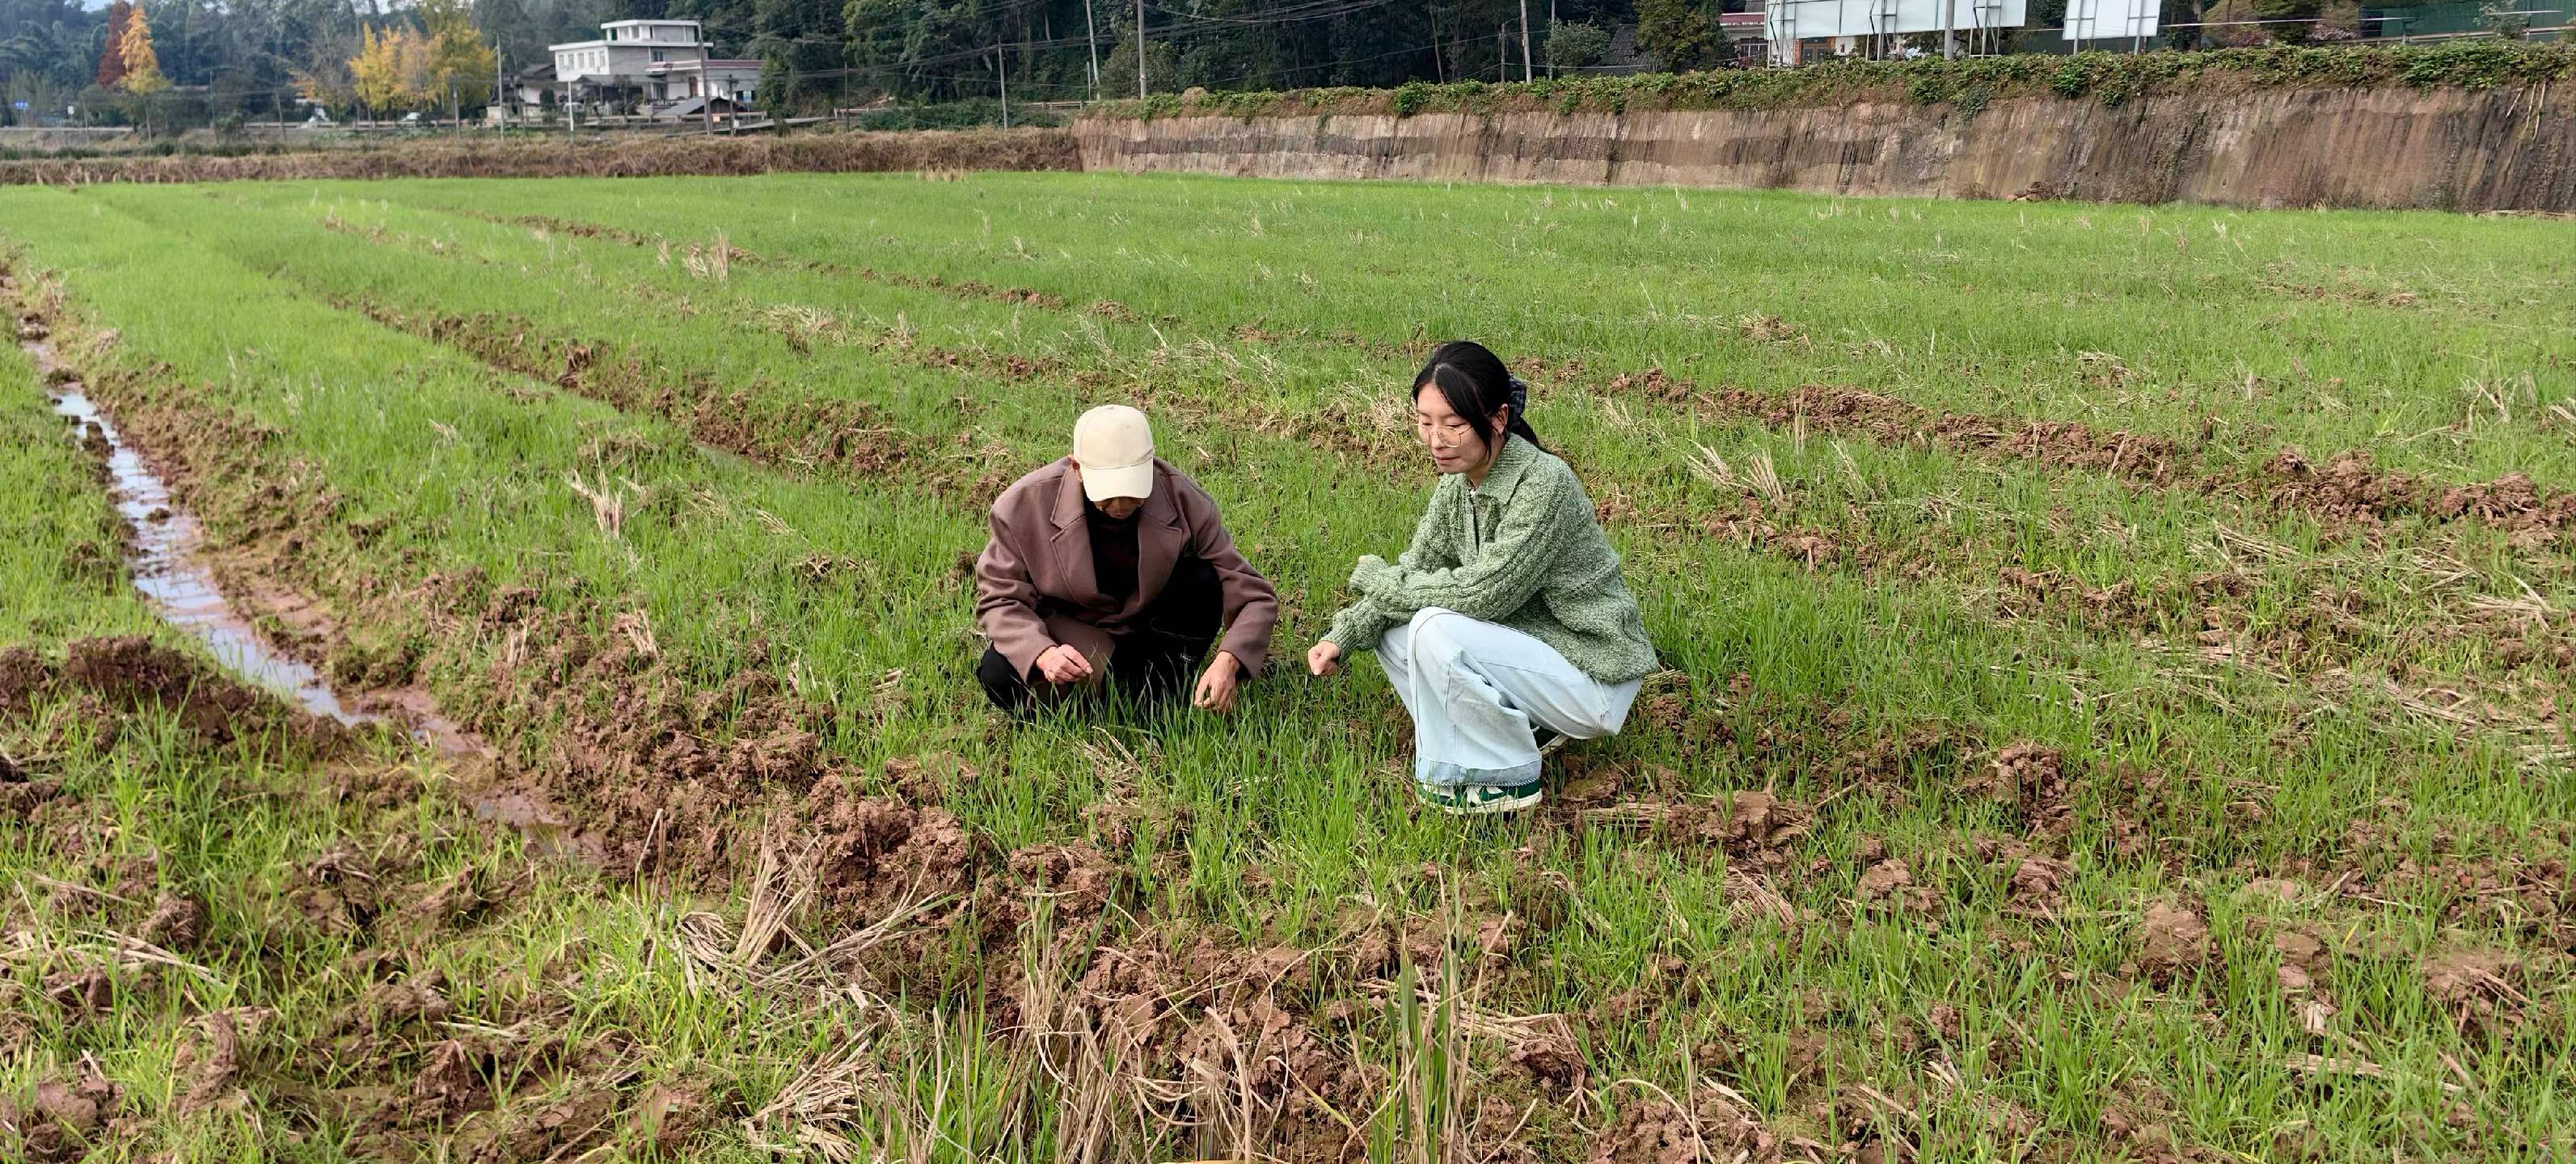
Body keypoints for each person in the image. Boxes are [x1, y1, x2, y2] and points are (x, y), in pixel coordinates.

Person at [1307, 342, 1656, 815]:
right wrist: (1345, 634)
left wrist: (1377, 580)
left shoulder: (1544, 484)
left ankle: (1501, 775)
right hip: (1539, 655)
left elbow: (1484, 594)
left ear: (1498, 418)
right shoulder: (1456, 487)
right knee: (1394, 630)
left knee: (1431, 626)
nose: (1436, 440)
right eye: (1424, 422)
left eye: (1453, 424)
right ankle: (1516, 730)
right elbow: (1416, 568)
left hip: (1593, 673)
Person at [976, 404, 1279, 715]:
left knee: (1203, 579)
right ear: (1076, 468)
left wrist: (1229, 661)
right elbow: (1000, 599)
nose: (1121, 506)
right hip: (1071, 635)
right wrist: (1044, 653)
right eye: (1106, 494)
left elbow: (1253, 594)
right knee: (1000, 672)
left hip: (1150, 633)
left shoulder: (1185, 500)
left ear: (1151, 465)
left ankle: (1160, 685)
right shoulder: (1022, 507)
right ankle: (1112, 698)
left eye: (1135, 491)